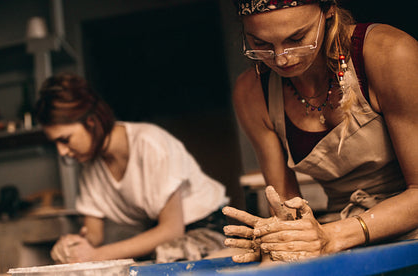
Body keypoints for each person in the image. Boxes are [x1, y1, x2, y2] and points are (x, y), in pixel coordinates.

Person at [222, 0, 418, 263]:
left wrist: (334, 236)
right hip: (337, 227)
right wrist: (283, 240)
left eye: (297, 38)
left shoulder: (389, 53)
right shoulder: (252, 92)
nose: (281, 58)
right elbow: (285, 208)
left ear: (329, 9)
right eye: (261, 44)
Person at [34, 72, 230, 263]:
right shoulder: (89, 168)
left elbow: (171, 230)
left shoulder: (150, 143)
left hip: (208, 228)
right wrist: (75, 245)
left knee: (166, 257)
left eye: (65, 139)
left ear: (91, 121)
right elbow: (94, 236)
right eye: (56, 143)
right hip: (160, 236)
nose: (61, 151)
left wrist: (96, 255)